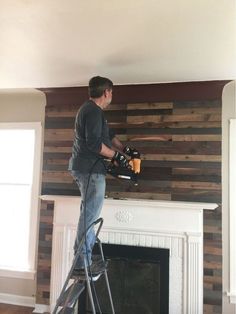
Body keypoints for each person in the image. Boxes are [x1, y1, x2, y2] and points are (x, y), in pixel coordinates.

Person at [68, 76, 139, 279]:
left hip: (90, 170)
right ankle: (81, 264)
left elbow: (108, 136)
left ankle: (83, 261)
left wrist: (126, 150)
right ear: (106, 92)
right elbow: (94, 145)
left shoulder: (95, 112)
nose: (112, 96)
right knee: (89, 217)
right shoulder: (91, 111)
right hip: (90, 170)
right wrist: (117, 157)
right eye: (112, 92)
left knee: (88, 215)